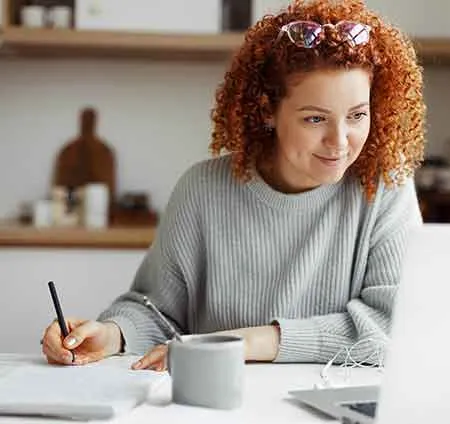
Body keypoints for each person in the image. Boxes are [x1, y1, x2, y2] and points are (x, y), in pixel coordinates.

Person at [41, 0, 425, 371]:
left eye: (357, 115)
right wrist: (112, 334)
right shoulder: (202, 189)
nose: (340, 141)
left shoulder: (386, 187)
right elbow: (156, 310)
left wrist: (249, 342)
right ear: (267, 111)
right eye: (314, 119)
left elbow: (396, 325)